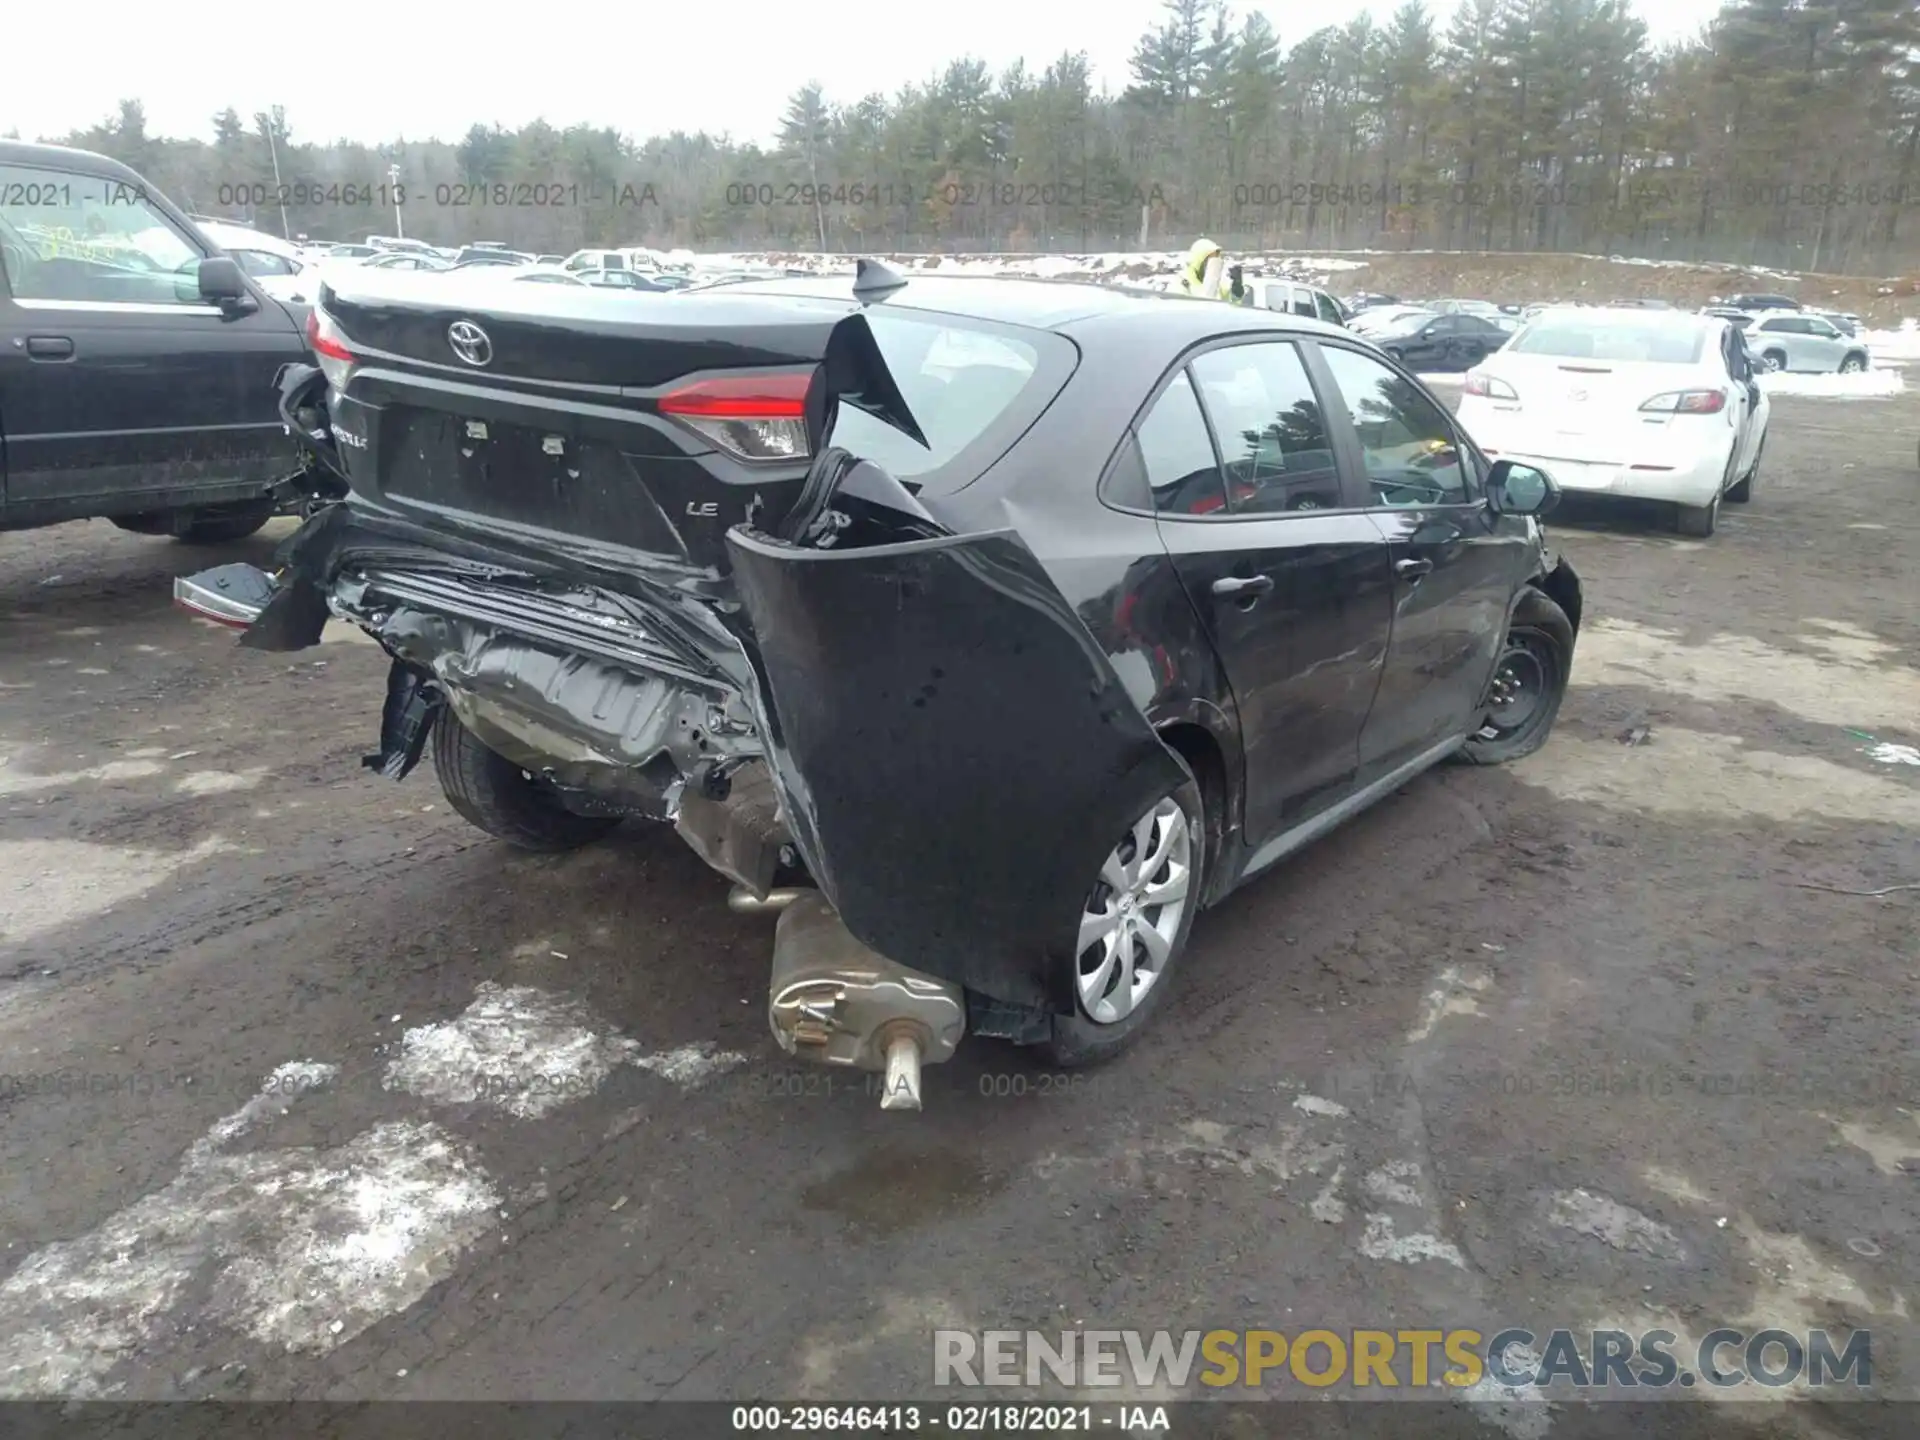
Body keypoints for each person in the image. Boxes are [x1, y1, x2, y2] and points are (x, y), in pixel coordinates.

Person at [1179, 238, 1255, 306]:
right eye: (1211, 260)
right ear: (1199, 260)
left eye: (1216, 259)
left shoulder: (1219, 287)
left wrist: (1236, 292)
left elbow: (1232, 309)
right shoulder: (1182, 283)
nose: (1214, 265)